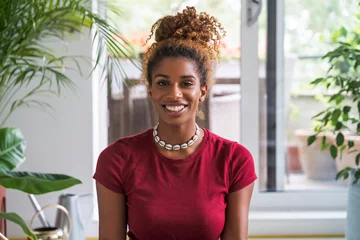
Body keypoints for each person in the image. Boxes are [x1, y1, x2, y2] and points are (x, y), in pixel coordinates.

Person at [93, 6, 257, 240]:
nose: (174, 94)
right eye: (162, 83)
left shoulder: (233, 160)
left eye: (186, 83)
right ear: (149, 90)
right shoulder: (117, 160)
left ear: (203, 91)